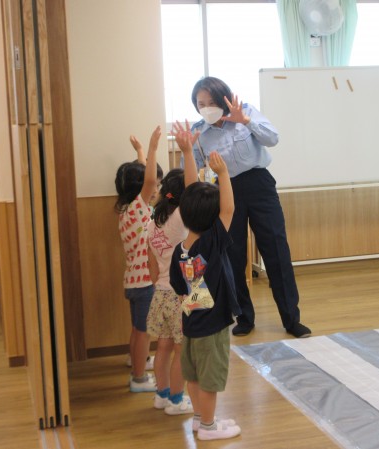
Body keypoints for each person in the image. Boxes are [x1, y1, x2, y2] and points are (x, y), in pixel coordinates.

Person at [187, 76, 311, 338]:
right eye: (201, 104)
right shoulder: (199, 133)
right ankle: (243, 317)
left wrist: (245, 121)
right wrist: (186, 149)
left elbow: (273, 138)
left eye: (211, 102)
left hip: (259, 184)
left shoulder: (245, 112)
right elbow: (193, 171)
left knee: (276, 249)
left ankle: (291, 318)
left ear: (223, 99)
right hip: (225, 191)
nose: (206, 108)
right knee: (232, 255)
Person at [170, 150, 242, 441]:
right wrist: (223, 174)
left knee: (195, 375)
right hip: (212, 327)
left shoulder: (180, 251)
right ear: (212, 220)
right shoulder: (211, 244)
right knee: (210, 379)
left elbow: (180, 292)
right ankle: (209, 428)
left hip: (191, 326)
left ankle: (200, 419)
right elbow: (229, 210)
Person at [146, 121, 198, 415]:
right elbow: (193, 188)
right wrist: (187, 152)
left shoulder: (153, 222)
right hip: (180, 294)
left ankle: (161, 395)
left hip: (161, 292)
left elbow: (152, 266)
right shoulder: (180, 218)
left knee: (163, 348)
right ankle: (177, 401)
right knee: (182, 350)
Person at [115, 125, 161, 392]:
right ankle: (139, 378)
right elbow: (150, 181)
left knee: (137, 329)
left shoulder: (127, 210)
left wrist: (141, 151)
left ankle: (138, 361)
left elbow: (146, 180)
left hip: (133, 282)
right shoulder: (138, 208)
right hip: (145, 285)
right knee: (143, 332)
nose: (154, 189)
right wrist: (152, 148)